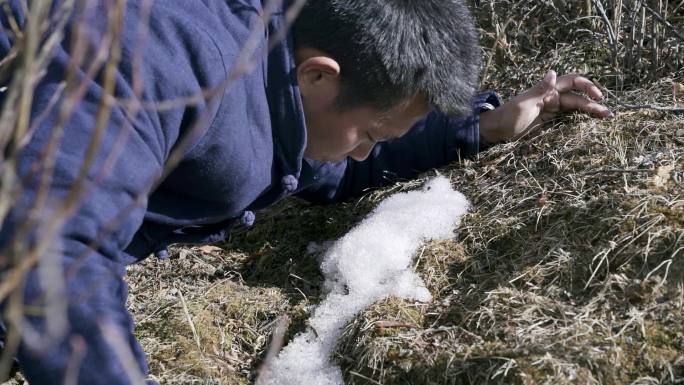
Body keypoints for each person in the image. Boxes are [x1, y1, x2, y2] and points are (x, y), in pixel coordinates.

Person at [0, 0, 611, 383]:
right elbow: (50, 254)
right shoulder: (159, 62)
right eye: (370, 132)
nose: (369, 149)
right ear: (320, 75)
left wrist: (485, 126)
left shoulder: (281, 78)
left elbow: (336, 163)